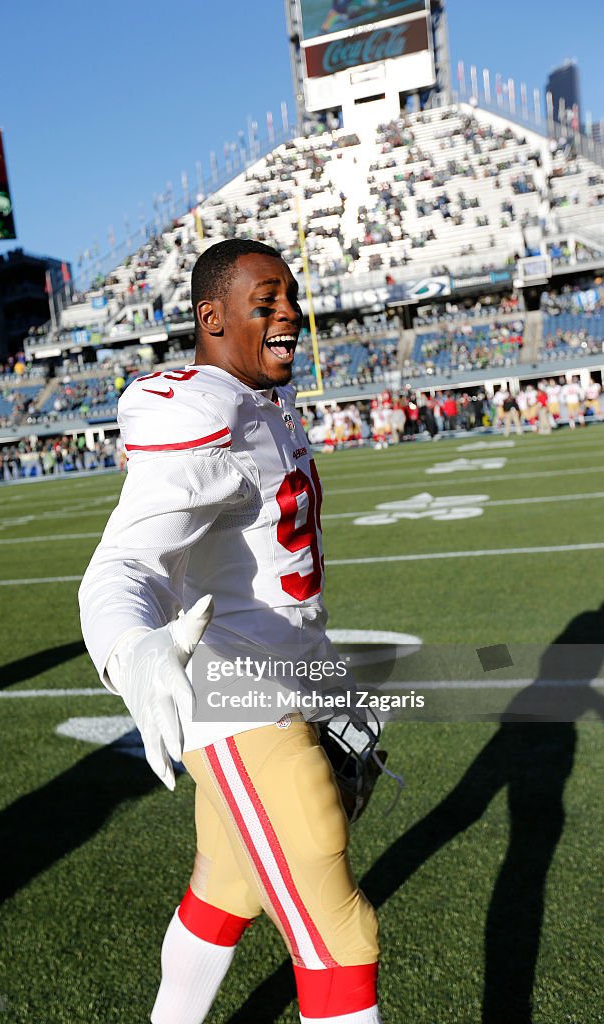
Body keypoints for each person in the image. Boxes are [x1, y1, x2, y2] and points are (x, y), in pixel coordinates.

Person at [79, 239, 382, 1024]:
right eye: (267, 298)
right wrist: (130, 650)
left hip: (282, 677)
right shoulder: (203, 411)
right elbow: (123, 566)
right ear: (211, 316)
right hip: (236, 697)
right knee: (340, 936)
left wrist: (325, 674)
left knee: (227, 889)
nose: (289, 313)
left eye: (291, 295)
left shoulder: (264, 398)